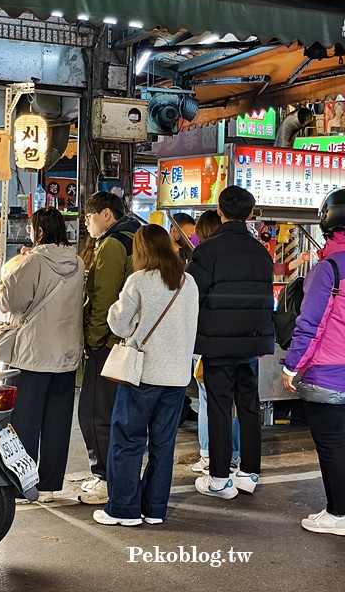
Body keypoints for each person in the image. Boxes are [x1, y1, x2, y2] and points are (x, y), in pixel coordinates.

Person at [282, 189, 345, 536]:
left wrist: (292, 367)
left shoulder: (328, 268)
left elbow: (311, 323)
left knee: (331, 445)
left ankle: (340, 513)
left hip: (329, 372)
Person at [93, 225, 200, 526]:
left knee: (127, 440)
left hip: (143, 375)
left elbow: (118, 324)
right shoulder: (188, 282)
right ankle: (154, 509)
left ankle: (123, 510)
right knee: (163, 446)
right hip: (177, 376)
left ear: (141, 251)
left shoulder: (138, 280)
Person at [187, 186, 274, 499]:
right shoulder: (260, 252)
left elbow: (191, 294)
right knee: (249, 407)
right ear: (249, 214)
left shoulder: (208, 250)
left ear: (219, 211)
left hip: (218, 344)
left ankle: (220, 478)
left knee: (220, 408)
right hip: (251, 344)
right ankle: (249, 473)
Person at [0, 208, 84, 503]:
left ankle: (23, 483)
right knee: (57, 423)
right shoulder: (78, 262)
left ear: (40, 232)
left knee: (25, 422)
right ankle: (49, 487)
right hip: (67, 353)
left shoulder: (32, 262)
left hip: (32, 355)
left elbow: (12, 303)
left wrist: (13, 270)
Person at [78, 191, 141, 504]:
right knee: (118, 415)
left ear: (105, 214)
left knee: (94, 413)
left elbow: (104, 299)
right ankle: (115, 476)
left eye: (89, 217)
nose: (87, 224)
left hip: (109, 345)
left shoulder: (113, 244)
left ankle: (104, 479)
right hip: (131, 343)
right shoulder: (137, 236)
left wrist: (93, 341)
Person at [190, 209, 239, 475]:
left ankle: (210, 455)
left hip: (208, 339)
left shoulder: (203, 256)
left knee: (208, 400)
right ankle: (234, 455)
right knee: (235, 402)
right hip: (240, 341)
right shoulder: (239, 255)